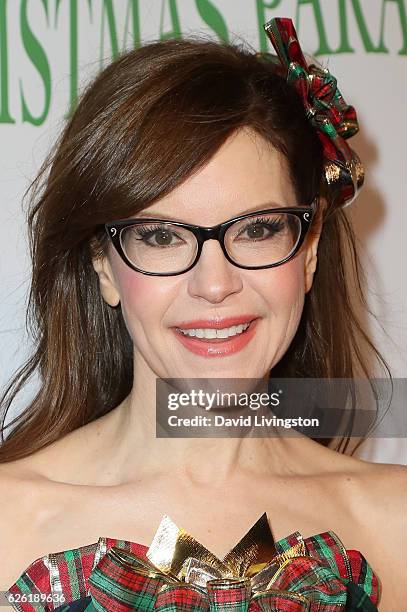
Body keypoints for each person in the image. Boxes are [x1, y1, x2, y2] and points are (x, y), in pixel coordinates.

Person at [0, 16, 405, 611]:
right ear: (106, 266)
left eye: (259, 230)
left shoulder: (396, 523)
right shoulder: (9, 522)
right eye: (161, 236)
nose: (215, 285)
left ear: (310, 248)